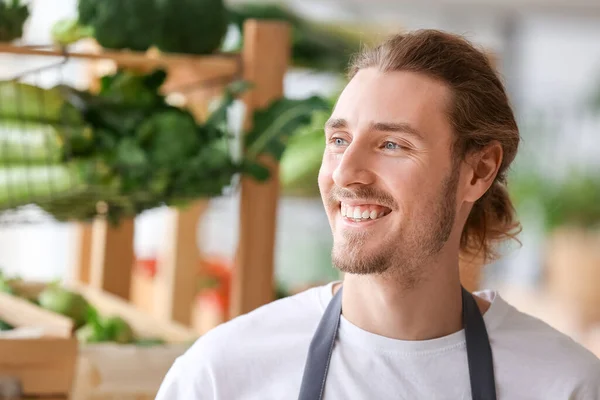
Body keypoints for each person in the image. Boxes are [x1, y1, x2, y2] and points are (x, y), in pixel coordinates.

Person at [156, 29, 600, 399]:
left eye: (392, 145)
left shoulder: (564, 385)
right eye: (339, 140)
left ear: (478, 171)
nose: (345, 173)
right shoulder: (222, 375)